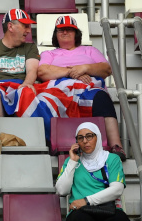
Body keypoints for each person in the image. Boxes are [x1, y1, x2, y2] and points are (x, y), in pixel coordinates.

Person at [37, 16, 126, 159]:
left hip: (89, 88)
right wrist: (72, 73)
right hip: (60, 89)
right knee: (43, 100)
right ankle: (51, 144)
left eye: (69, 30)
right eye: (61, 30)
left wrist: (84, 68)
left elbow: (106, 69)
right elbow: (42, 72)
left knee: (101, 97)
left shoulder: (89, 50)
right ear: (56, 34)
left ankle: (117, 146)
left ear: (76, 34)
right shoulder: (49, 53)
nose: (65, 32)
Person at [55, 122, 132, 221]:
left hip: (107, 209)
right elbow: (61, 190)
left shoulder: (112, 159)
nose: (85, 141)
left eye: (89, 136)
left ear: (98, 137)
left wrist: (86, 201)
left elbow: (117, 189)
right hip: (81, 212)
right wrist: (72, 162)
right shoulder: (71, 161)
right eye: (80, 138)